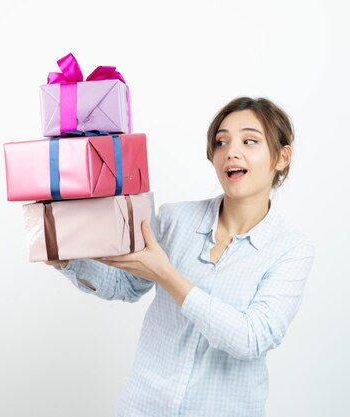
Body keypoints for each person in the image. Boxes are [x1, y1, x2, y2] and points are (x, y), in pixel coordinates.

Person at [49, 97, 315, 417]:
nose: (231, 151)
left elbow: (251, 338)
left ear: (282, 157)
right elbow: (127, 285)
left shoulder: (290, 250)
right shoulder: (176, 219)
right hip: (143, 407)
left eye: (249, 141)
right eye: (221, 141)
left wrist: (168, 276)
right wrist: (68, 259)